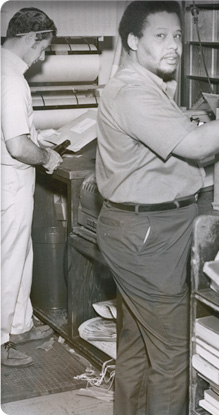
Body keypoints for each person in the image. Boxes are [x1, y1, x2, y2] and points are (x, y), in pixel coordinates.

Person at [95, 2, 219, 414]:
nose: (174, 46)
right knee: (173, 354)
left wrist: (195, 119)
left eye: (177, 36)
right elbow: (195, 146)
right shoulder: (132, 91)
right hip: (148, 236)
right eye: (161, 37)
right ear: (132, 40)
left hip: (146, 229)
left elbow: (172, 136)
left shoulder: (141, 86)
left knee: (138, 344)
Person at [1, 7, 63, 368]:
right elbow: (17, 146)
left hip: (10, 179)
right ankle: (2, 339)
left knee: (21, 254)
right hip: (11, 178)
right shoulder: (11, 79)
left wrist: (39, 144)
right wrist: (46, 157)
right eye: (44, 48)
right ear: (29, 39)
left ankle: (19, 324)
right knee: (9, 260)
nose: (43, 57)